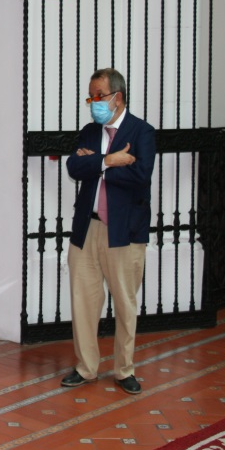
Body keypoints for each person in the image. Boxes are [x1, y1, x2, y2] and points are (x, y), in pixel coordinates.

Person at [61, 68, 156, 395]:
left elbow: (141, 176)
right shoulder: (89, 132)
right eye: (90, 97)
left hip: (124, 231)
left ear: (117, 96)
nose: (93, 103)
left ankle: (123, 370)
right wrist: (110, 160)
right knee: (83, 301)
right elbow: (74, 167)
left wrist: (99, 167)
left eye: (98, 96)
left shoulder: (142, 131)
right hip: (87, 229)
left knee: (125, 304)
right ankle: (86, 368)